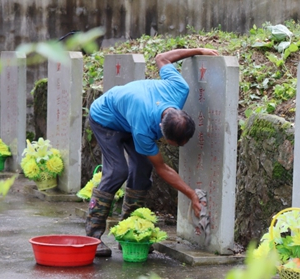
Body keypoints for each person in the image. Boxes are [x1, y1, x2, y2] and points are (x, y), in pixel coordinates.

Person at [86, 47, 219, 257]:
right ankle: (92, 236)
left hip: (129, 116)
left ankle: (128, 232)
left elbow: (162, 58)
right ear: (161, 132)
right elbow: (162, 167)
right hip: (105, 119)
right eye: (176, 144)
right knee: (117, 171)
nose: (180, 147)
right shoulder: (143, 127)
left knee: (141, 168)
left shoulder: (179, 88)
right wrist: (191, 194)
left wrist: (199, 50)